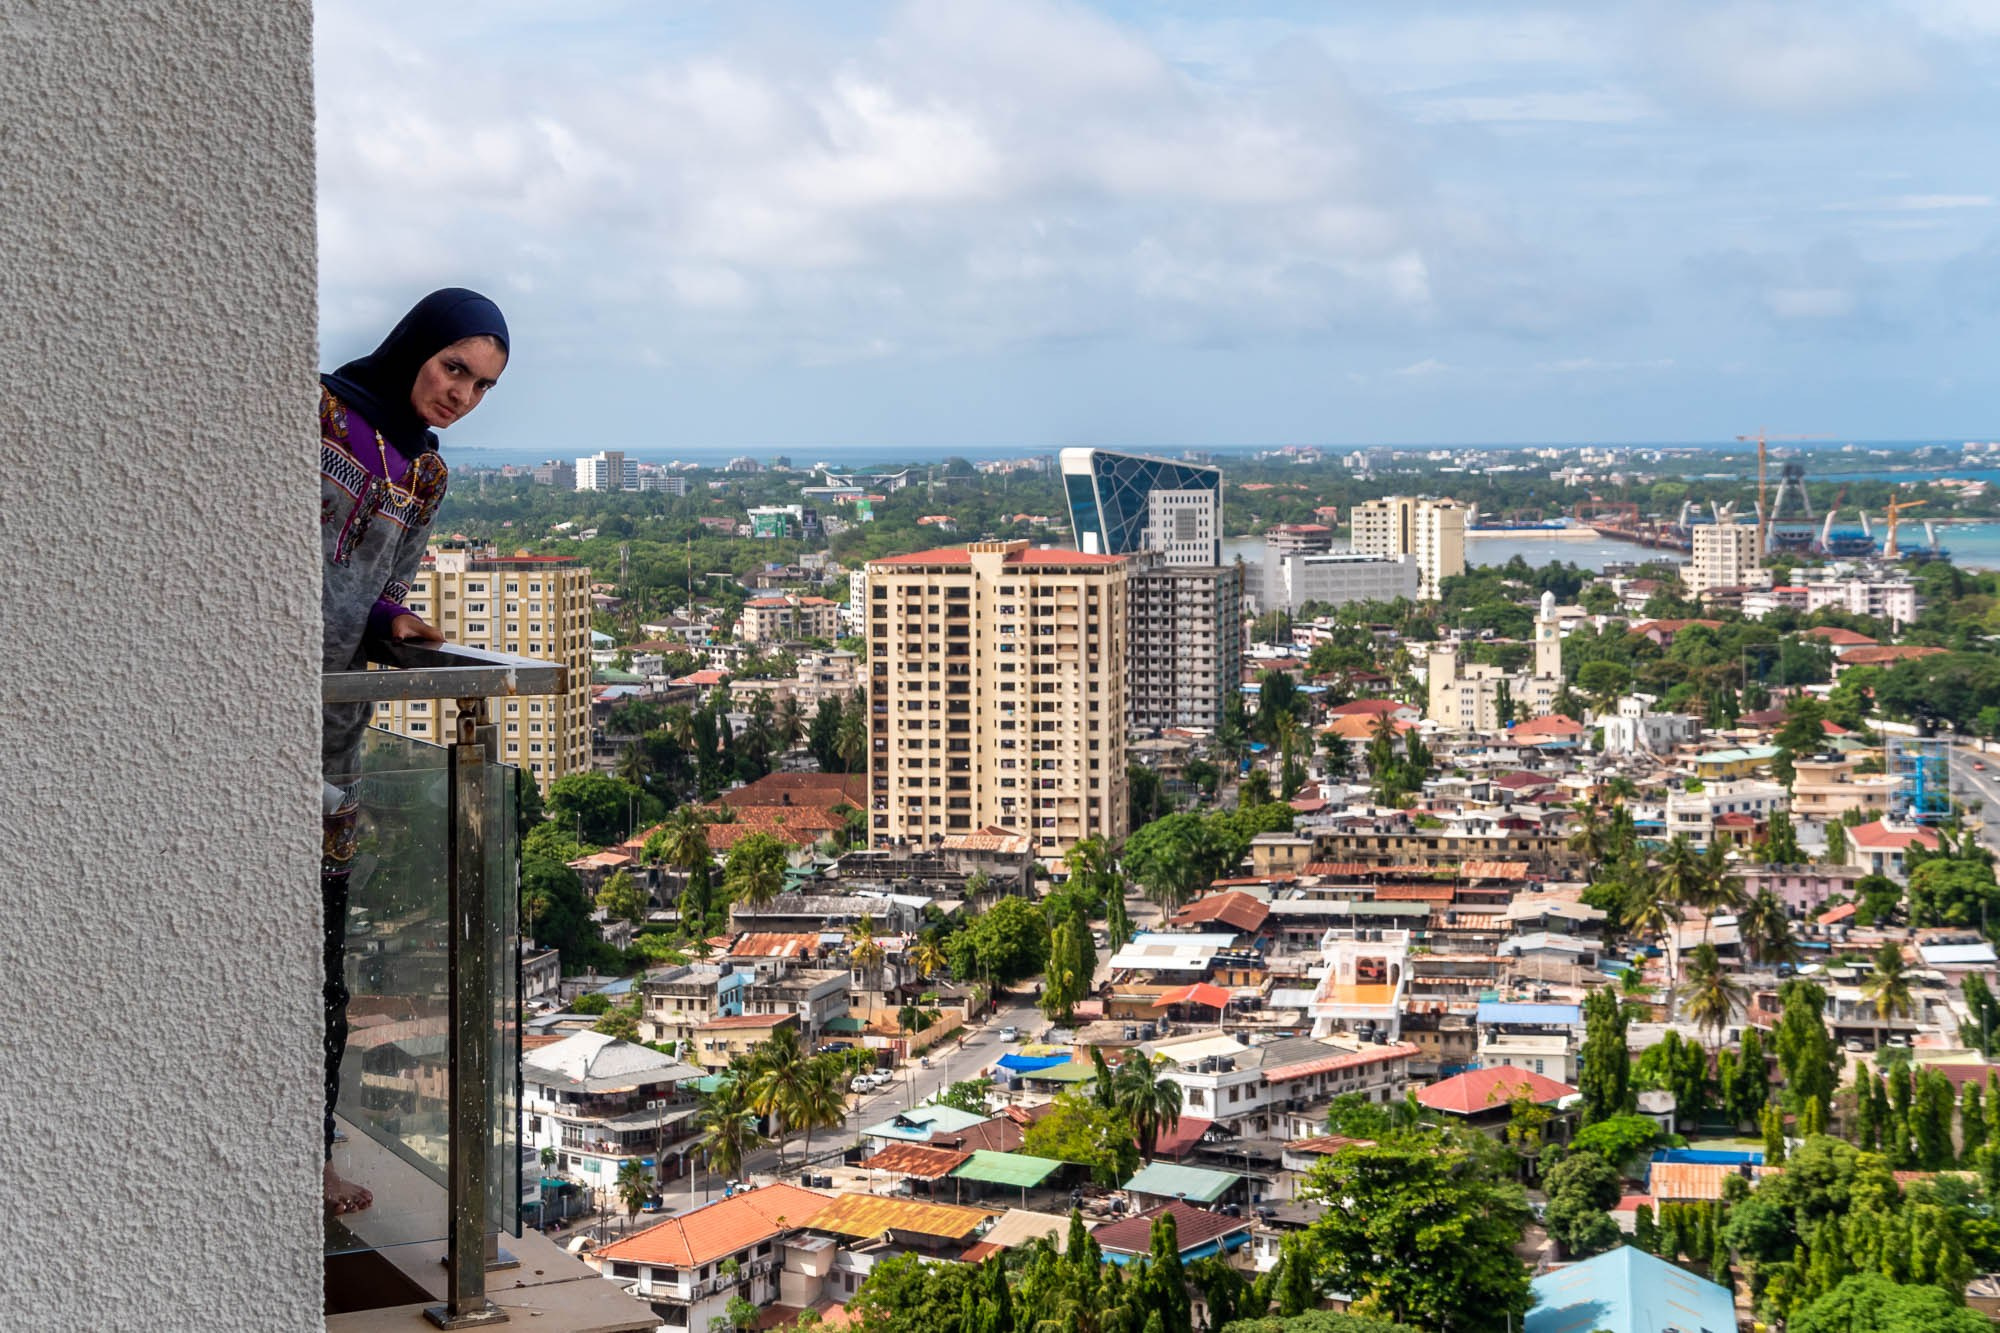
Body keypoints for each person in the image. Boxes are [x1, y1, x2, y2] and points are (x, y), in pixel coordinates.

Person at [320, 288, 510, 1214]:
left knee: (321, 960)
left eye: (480, 386)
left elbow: (387, 581)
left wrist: (396, 618)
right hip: (243, 700)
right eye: (452, 368)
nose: (459, 395)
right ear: (413, 348)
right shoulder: (316, 415)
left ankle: (307, 1157)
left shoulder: (425, 474)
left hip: (332, 731)